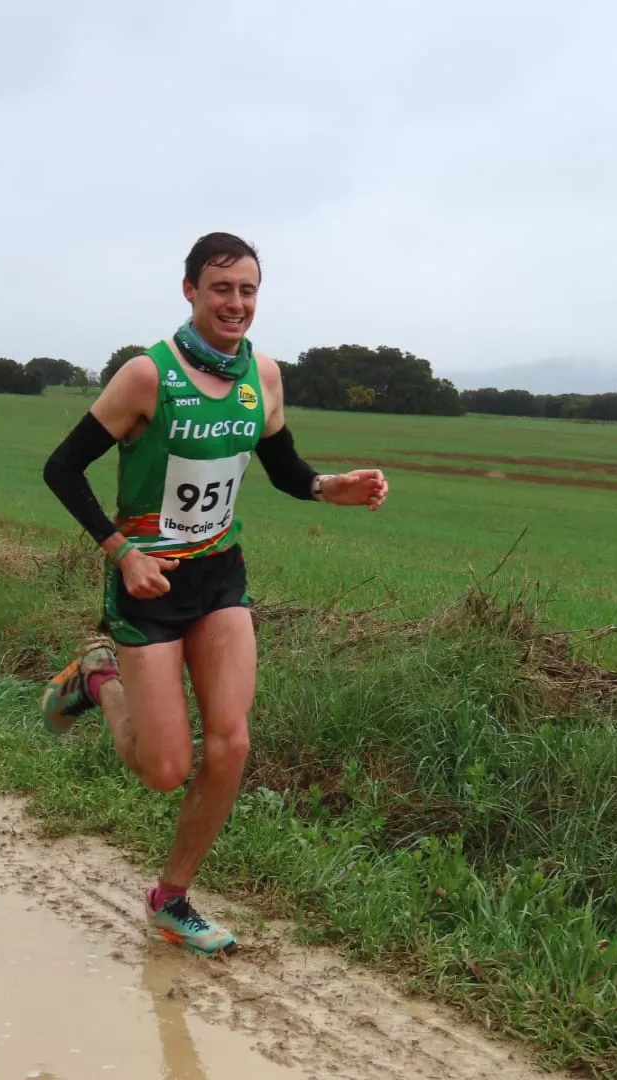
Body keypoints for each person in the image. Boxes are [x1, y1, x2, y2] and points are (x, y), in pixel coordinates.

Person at [40, 232, 388, 955]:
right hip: (149, 583)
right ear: (190, 291)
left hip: (219, 577)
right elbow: (62, 469)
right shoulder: (146, 376)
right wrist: (122, 551)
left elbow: (283, 465)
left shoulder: (264, 374)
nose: (236, 303)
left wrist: (330, 488)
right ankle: (97, 679)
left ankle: (171, 898)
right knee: (165, 770)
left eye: (248, 290)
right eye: (221, 288)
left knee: (230, 743)